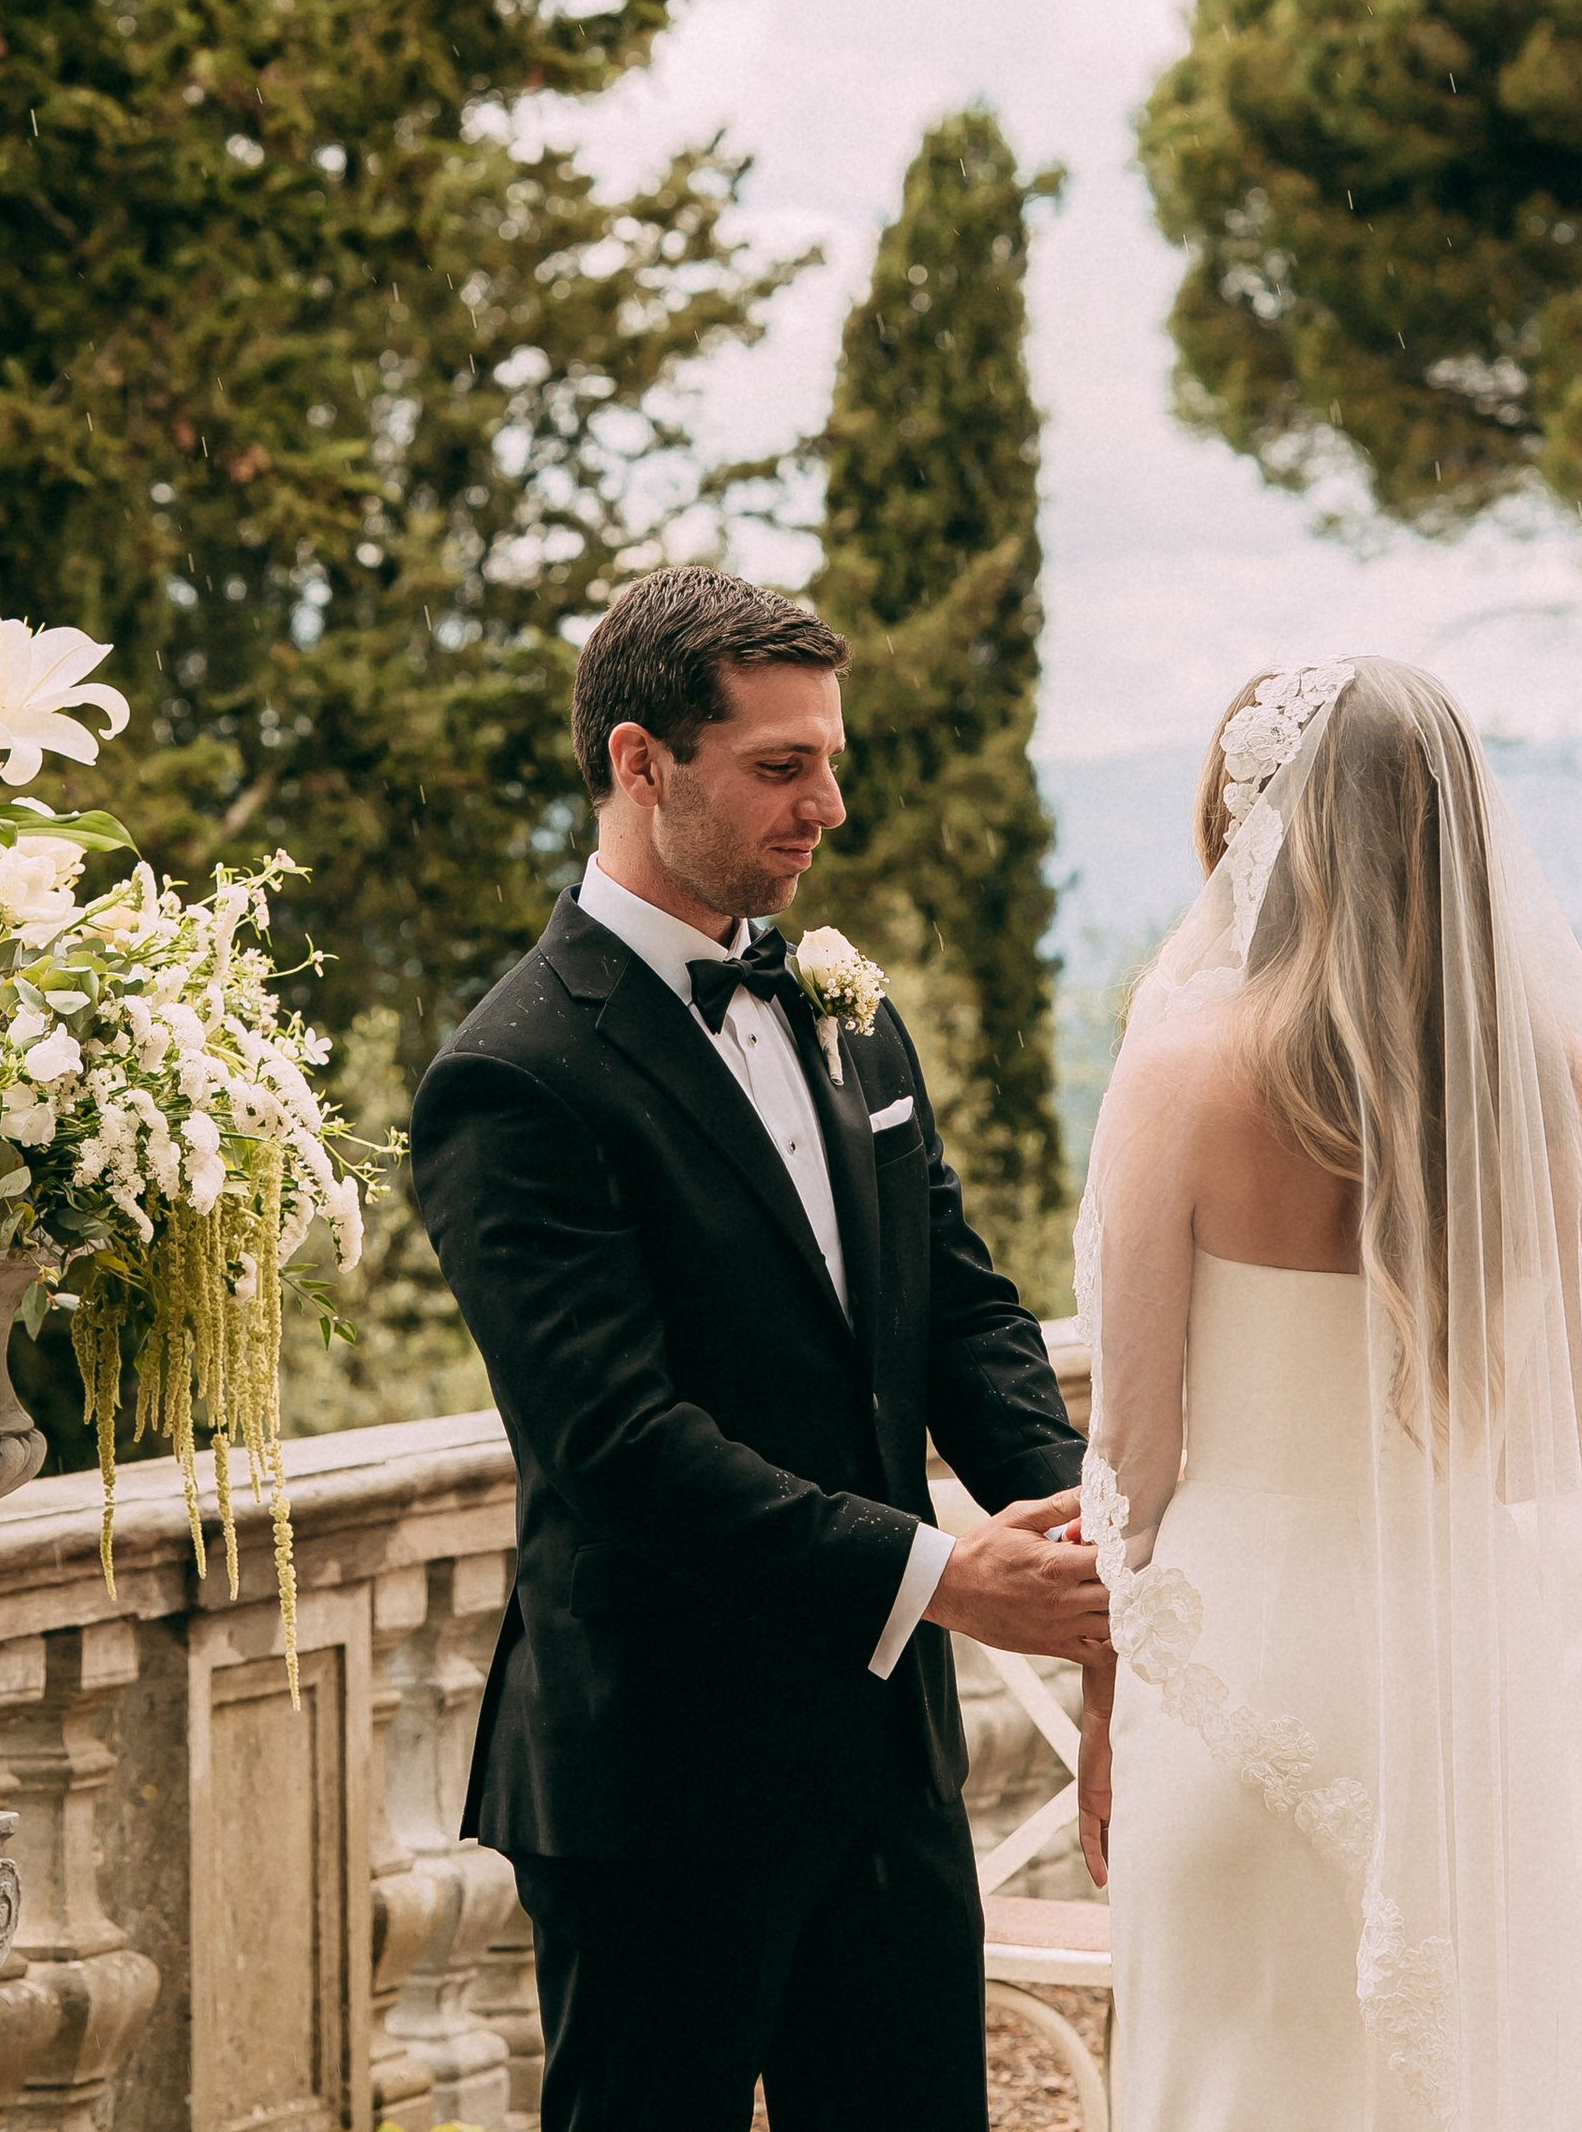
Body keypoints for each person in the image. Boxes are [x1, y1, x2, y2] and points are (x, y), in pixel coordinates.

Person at [411, 564, 1102, 2132]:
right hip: (661, 1783)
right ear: (643, 764)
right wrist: (945, 1573)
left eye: (829, 759)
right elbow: (621, 1449)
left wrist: (1081, 1525)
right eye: (781, 767)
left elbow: (963, 1314)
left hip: (886, 1769)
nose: (829, 806)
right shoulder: (512, 1079)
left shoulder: (849, 1009)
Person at [1073, 657, 1582, 2131]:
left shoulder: (1182, 1070)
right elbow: (1548, 1459)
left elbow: (1128, 1465)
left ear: (1267, 833)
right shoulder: (1571, 1095)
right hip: (1476, 1694)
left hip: (1236, 1689)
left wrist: (1102, 1705)